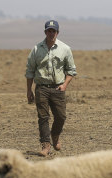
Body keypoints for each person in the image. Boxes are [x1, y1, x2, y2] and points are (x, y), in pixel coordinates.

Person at [26, 20, 77, 157]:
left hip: (58, 88)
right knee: (43, 117)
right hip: (41, 88)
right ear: (45, 32)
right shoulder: (36, 49)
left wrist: (65, 85)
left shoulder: (65, 49)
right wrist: (29, 90)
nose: (51, 33)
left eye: (53, 31)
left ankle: (55, 135)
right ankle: (45, 145)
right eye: (49, 31)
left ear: (57, 32)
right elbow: (30, 71)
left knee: (61, 116)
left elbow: (71, 70)